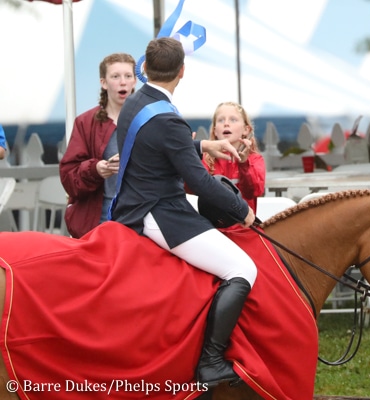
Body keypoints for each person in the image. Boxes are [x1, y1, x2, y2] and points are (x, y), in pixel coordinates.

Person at [109, 37, 256, 388]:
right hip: (158, 211)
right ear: (182, 72)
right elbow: (202, 183)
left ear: (143, 69)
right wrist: (244, 213)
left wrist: (202, 144)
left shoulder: (136, 101)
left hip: (136, 200)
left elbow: (153, 143)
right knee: (243, 268)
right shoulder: (169, 120)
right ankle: (211, 362)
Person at [59, 53, 137, 238]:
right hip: (99, 218)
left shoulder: (147, 119)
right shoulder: (85, 122)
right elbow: (68, 176)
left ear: (135, 81)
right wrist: (95, 170)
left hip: (139, 216)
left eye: (128, 76)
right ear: (104, 82)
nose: (123, 82)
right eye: (115, 76)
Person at [202, 101, 265, 214]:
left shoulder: (255, 159)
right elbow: (194, 190)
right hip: (214, 228)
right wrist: (188, 155)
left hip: (244, 228)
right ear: (215, 130)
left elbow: (254, 191)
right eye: (221, 120)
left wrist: (244, 164)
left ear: (246, 130)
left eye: (233, 120)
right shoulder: (206, 159)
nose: (226, 123)